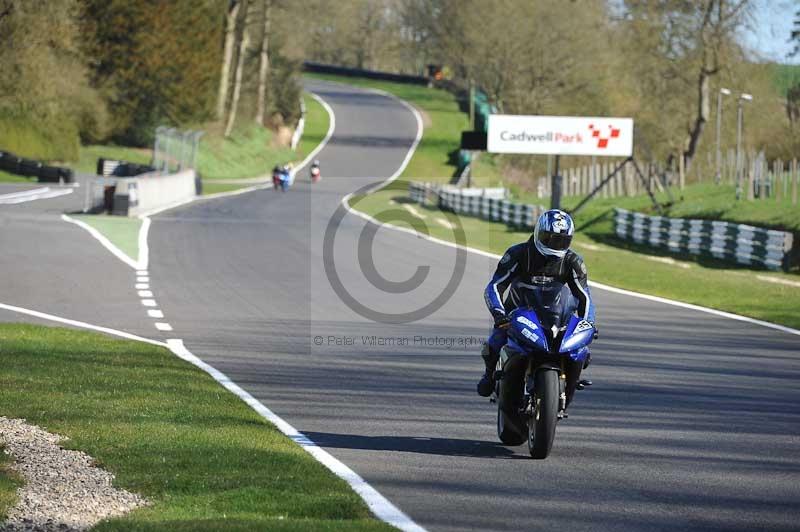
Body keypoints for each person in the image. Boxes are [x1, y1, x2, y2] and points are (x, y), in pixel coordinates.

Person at [477, 209, 596, 410]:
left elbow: (584, 296)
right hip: (517, 313)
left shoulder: (573, 261)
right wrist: (499, 314)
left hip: (556, 316)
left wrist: (588, 322)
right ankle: (489, 374)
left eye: (561, 240)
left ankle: (569, 387)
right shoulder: (517, 253)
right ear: (538, 232)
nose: (554, 244)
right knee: (495, 342)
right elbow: (495, 286)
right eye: (548, 238)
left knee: (582, 351)